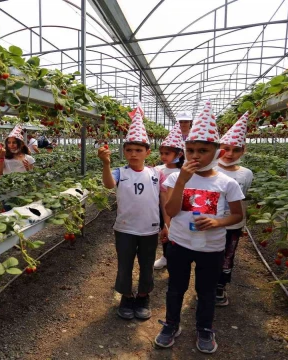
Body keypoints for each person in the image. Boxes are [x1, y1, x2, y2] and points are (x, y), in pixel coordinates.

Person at [154, 100, 244, 354]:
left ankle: (204, 328)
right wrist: (182, 180)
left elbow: (237, 215)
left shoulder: (227, 184)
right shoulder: (175, 177)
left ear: (217, 153)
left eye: (202, 150)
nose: (195, 155)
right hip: (180, 243)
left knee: (205, 291)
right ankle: (172, 323)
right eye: (190, 149)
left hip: (212, 247)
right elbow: (170, 212)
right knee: (176, 288)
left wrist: (218, 221)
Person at [98, 103, 161, 321]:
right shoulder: (119, 172)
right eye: (129, 150)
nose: (133, 154)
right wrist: (105, 164)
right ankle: (126, 295)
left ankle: (143, 295)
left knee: (147, 264)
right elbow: (108, 185)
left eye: (138, 150)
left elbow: (165, 197)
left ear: (147, 152)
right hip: (124, 228)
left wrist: (167, 225)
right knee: (124, 264)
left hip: (150, 229)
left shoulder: (156, 173)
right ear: (124, 151)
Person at [214, 112, 254, 306]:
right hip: (211, 221)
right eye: (225, 149)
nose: (229, 154)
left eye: (235, 150)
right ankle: (207, 284)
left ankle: (220, 286)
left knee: (228, 255)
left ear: (242, 151)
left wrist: (242, 223)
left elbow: (242, 199)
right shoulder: (210, 170)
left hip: (233, 224)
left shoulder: (247, 174)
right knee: (209, 254)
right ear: (218, 149)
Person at [153, 127, 185, 270]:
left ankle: (178, 256)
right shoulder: (158, 169)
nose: (163, 156)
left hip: (180, 207)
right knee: (164, 230)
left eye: (167, 153)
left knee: (178, 231)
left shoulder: (184, 171)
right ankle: (165, 256)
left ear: (180, 154)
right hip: (161, 207)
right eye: (162, 153)